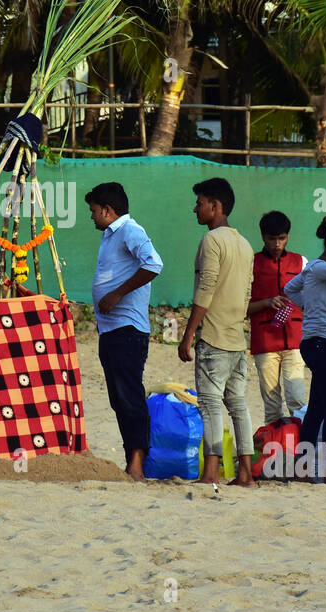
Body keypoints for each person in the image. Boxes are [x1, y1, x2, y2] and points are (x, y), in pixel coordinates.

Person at [177, 177, 257, 486]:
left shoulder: (212, 241)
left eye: (199, 203)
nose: (195, 209)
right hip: (237, 339)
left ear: (215, 206)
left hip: (213, 338)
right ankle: (246, 474)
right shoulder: (245, 244)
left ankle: (210, 473)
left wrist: (188, 335)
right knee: (238, 405)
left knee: (210, 405)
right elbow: (247, 295)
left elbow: (206, 288)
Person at [87, 182, 163, 481]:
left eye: (94, 211)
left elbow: (154, 264)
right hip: (111, 330)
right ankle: (132, 457)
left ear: (108, 210)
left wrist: (117, 294)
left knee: (129, 396)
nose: (91, 217)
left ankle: (137, 462)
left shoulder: (131, 230)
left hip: (128, 329)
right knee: (118, 398)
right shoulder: (110, 235)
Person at [282, 218, 326, 476]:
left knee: (318, 409)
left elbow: (289, 288)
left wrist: (311, 305)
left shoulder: (314, 270)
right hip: (322, 344)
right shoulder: (320, 267)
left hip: (319, 343)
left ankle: (303, 467)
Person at [248, 211, 308, 426]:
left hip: (295, 340)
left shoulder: (301, 263)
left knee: (297, 400)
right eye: (272, 238)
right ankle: (275, 451)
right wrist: (266, 303)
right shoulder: (250, 264)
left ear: (288, 236)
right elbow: (240, 307)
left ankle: (301, 451)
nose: (276, 244)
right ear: (263, 237)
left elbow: (312, 299)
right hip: (265, 341)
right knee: (271, 404)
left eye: (281, 238)